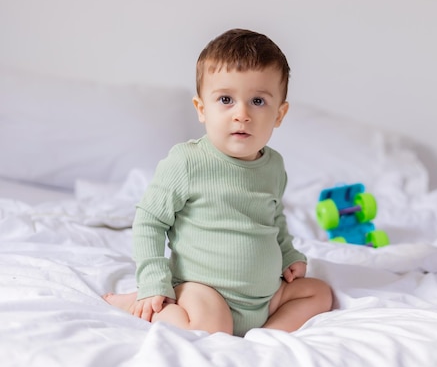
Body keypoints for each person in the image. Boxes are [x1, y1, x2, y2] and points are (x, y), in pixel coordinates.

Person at [104, 28, 333, 337]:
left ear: (280, 114)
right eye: (226, 99)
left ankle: (265, 339)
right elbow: (149, 222)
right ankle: (139, 304)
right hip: (203, 291)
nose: (242, 114)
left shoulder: (274, 166)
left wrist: (289, 254)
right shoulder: (187, 162)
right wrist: (152, 281)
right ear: (202, 109)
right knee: (213, 325)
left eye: (258, 101)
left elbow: (274, 217)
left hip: (265, 297)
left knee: (319, 293)